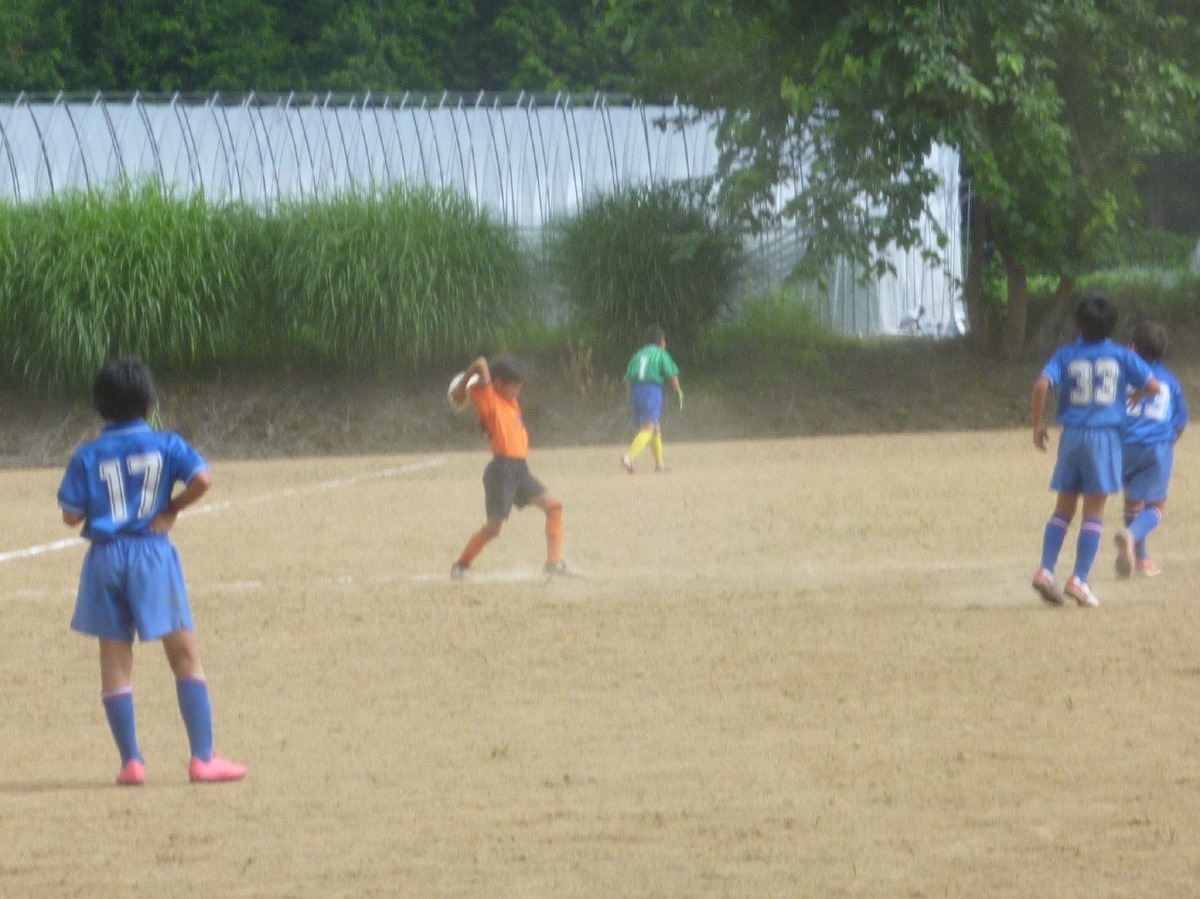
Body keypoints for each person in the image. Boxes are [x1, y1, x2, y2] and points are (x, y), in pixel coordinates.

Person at [58, 358, 247, 785]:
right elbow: (202, 479)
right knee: (183, 655)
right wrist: (171, 508)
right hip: (152, 556)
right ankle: (203, 757)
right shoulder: (167, 444)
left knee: (114, 660)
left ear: (100, 406)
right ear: (150, 403)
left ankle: (132, 762)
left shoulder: (87, 455)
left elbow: (70, 516)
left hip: (105, 558)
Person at [1031, 293, 1160, 607]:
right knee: (1094, 511)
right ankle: (1079, 579)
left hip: (1072, 436)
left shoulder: (1065, 354)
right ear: (1113, 325)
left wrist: (1037, 424)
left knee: (1063, 508)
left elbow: (1042, 385)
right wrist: (1138, 396)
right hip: (1103, 437)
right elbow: (1154, 386)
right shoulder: (1121, 355)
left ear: (1078, 322)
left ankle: (1046, 570)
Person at [450, 353, 581, 579]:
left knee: (554, 506)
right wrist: (463, 386)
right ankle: (461, 566)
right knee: (494, 528)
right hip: (502, 470)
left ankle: (554, 564)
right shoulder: (489, 398)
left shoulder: (509, 401)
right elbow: (481, 363)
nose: (519, 389)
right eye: (515, 384)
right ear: (498, 383)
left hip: (519, 469)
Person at [1115, 321, 1188, 578]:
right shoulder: (1169, 380)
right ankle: (1131, 536)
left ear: (1133, 347)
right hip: (1156, 446)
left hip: (1123, 446)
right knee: (1155, 508)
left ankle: (1141, 559)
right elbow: (1180, 421)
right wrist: (1167, 444)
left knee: (1132, 503)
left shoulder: (1122, 377)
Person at [621, 325, 683, 474]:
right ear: (662, 341)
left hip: (635, 390)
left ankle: (659, 465)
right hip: (651, 390)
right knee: (648, 427)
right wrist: (679, 392)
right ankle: (629, 458)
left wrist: (631, 397)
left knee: (655, 427)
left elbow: (627, 379)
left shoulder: (638, 355)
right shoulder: (661, 354)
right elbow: (672, 374)